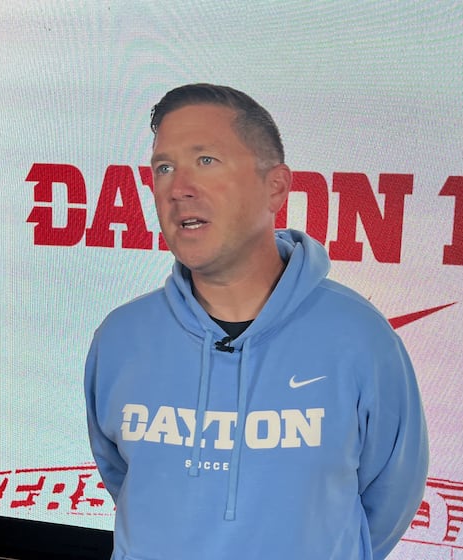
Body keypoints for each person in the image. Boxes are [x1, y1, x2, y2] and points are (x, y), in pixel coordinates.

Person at [84, 83, 429, 560]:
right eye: (164, 167)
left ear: (276, 187)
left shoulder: (360, 338)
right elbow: (125, 481)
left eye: (206, 161)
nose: (178, 187)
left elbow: (388, 500)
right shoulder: (120, 337)